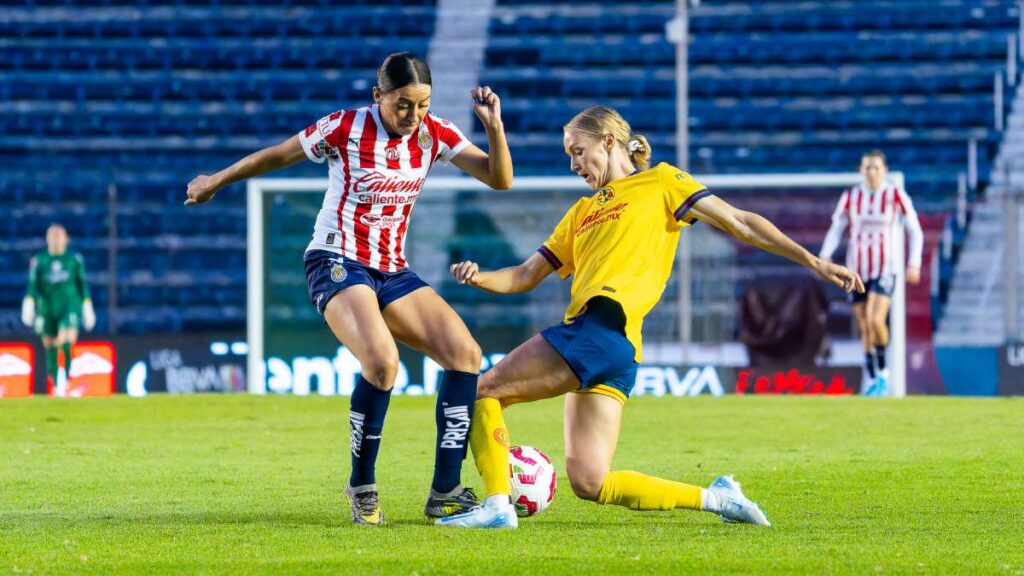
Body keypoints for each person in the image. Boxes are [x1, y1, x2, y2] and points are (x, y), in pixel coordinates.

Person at [436, 106, 864, 529]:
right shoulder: (580, 213)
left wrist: (815, 262)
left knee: (481, 392)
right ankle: (718, 498)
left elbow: (741, 223)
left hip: (598, 329)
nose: (573, 164)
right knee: (590, 481)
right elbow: (526, 275)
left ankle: (496, 505)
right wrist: (480, 277)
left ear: (607, 141)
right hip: (617, 352)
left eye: (578, 151)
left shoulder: (661, 181)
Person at [185, 52, 513, 526]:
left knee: (464, 354)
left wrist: (494, 127)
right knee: (382, 363)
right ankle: (362, 485)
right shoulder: (344, 127)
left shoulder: (434, 133)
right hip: (336, 259)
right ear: (378, 96)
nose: (413, 116)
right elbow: (279, 154)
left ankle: (445, 491)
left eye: (423, 104)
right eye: (403, 104)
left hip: (391, 268)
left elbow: (500, 179)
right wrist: (215, 181)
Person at [819, 150, 923, 397]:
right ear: (861, 170)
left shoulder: (894, 194)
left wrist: (914, 262)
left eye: (876, 167)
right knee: (865, 325)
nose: (872, 172)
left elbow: (914, 229)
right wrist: (825, 255)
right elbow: (837, 228)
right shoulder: (851, 196)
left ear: (884, 170)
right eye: (867, 167)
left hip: (885, 267)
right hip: (857, 269)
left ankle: (884, 374)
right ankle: (874, 378)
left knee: (876, 320)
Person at [21, 224, 96, 393]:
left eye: (59, 235)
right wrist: (29, 302)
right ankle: (55, 383)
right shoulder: (39, 260)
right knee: (50, 345)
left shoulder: (73, 260)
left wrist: (87, 305)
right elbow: (33, 285)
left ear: (66, 238)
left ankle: (67, 380)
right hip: (47, 307)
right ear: (47, 238)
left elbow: (82, 284)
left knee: (66, 339)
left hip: (69, 305)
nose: (55, 238)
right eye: (52, 235)